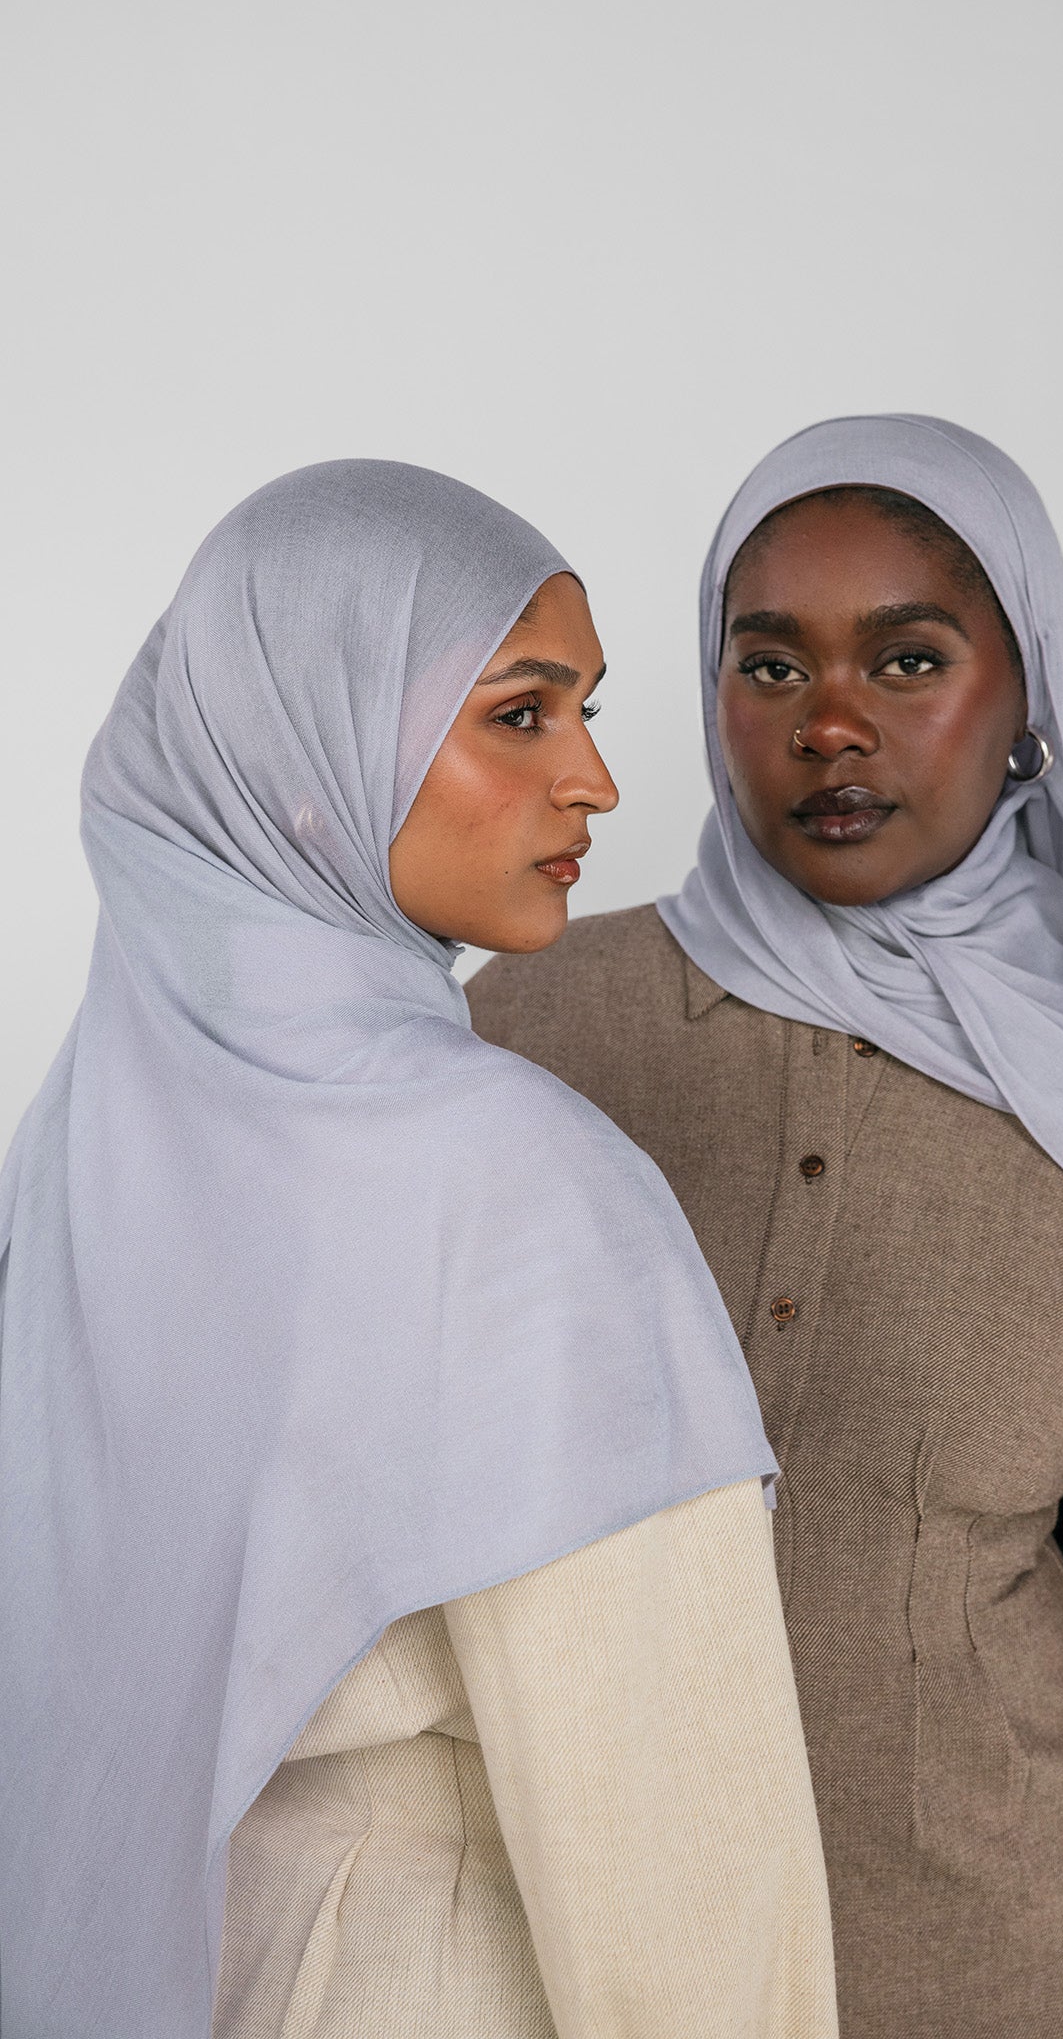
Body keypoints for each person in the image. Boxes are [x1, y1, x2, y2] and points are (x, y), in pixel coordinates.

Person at [468, 415, 1063, 2039]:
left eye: (905, 662)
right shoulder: (529, 1032)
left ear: (1025, 698)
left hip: (1034, 1981)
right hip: (594, 1984)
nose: (826, 728)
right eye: (766, 669)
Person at [0, 461, 840, 2039]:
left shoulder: (80, 1157)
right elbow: (673, 1859)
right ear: (304, 756)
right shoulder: (515, 1187)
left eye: (585, 710)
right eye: (519, 713)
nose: (592, 779)